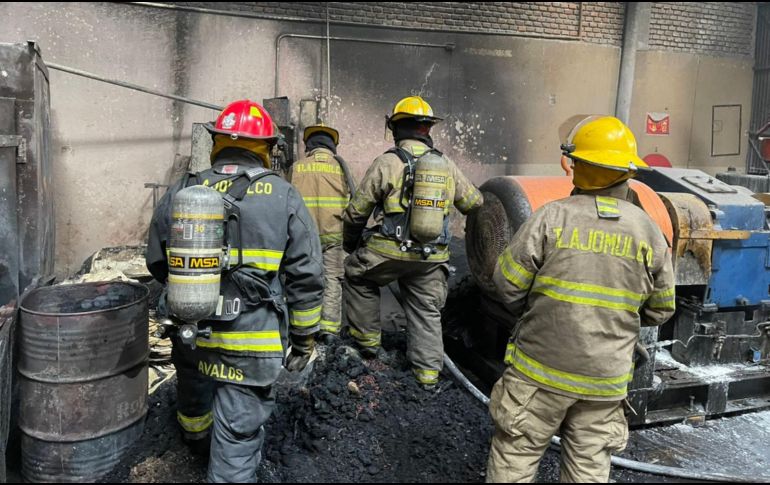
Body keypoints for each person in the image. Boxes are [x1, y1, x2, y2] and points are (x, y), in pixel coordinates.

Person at [485, 116, 676, 483]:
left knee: (516, 456)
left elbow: (507, 286)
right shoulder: (648, 231)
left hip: (538, 372)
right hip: (605, 382)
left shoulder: (550, 218)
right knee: (588, 470)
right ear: (627, 170)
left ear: (576, 165)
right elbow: (662, 308)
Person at [146, 99, 324, 483]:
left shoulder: (185, 188)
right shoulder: (282, 194)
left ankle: (195, 444)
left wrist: (189, 290)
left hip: (191, 329)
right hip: (252, 342)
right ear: (266, 148)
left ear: (216, 142)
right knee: (237, 439)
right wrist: (305, 340)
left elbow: (157, 263)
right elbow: (306, 275)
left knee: (194, 397)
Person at [342, 95, 483, 389]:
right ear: (427, 129)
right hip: (432, 257)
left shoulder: (387, 162)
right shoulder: (444, 164)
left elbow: (357, 211)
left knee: (357, 275)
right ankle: (428, 377)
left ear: (395, 128)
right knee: (426, 309)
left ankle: (369, 348)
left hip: (387, 251)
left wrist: (351, 244)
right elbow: (474, 202)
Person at [288, 124, 353, 343]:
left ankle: (304, 327)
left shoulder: (297, 167)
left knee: (303, 279)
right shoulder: (342, 168)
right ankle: (328, 330)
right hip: (335, 236)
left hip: (304, 237)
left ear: (309, 144)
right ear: (332, 145)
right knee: (332, 280)